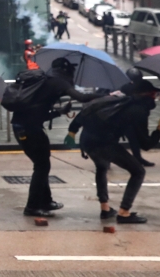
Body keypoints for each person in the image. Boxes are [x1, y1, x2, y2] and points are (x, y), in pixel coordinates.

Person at [65, 70, 160, 224]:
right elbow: (146, 144)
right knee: (138, 171)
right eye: (154, 94)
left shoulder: (115, 99)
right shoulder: (139, 110)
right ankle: (124, 212)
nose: (155, 98)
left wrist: (72, 131)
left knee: (102, 167)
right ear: (147, 95)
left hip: (87, 139)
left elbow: (88, 110)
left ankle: (105, 209)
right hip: (104, 143)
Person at [12, 58, 97, 217]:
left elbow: (38, 113)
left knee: (42, 164)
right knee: (42, 166)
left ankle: (46, 201)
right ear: (66, 70)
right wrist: (106, 94)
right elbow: (82, 98)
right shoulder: (60, 82)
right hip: (31, 130)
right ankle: (32, 206)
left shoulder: (46, 81)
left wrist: (60, 111)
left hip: (21, 127)